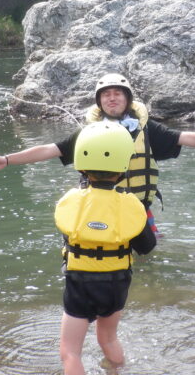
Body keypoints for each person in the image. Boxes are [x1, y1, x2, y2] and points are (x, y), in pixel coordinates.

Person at [0, 73, 195, 230]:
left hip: (137, 208)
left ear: (127, 100)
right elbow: (51, 149)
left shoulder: (147, 130)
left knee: (148, 256)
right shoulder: (90, 134)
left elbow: (187, 137)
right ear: (99, 102)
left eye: (118, 94)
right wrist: (7, 159)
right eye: (106, 95)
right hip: (100, 208)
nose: (112, 98)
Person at [54, 121, 156, 375]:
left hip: (79, 282)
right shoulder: (132, 204)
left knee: (70, 351)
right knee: (108, 339)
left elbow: (70, 232)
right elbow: (146, 246)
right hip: (116, 282)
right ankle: (116, 371)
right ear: (122, 168)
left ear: (82, 165)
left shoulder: (71, 200)